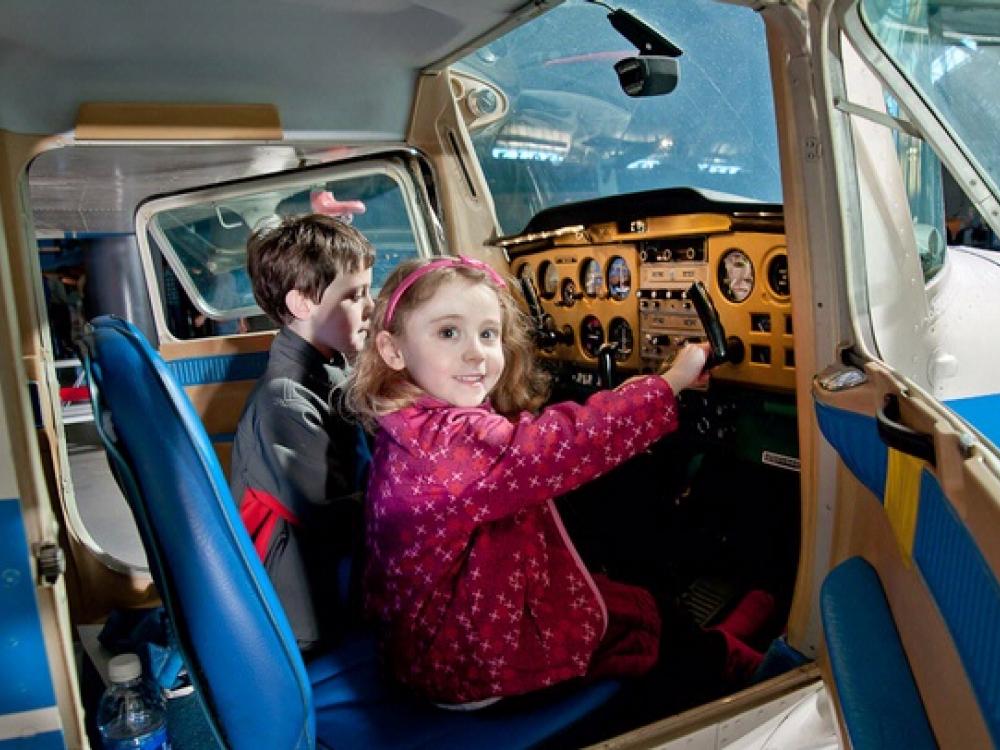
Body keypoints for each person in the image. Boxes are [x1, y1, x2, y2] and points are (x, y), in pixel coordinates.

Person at [345, 256, 770, 708]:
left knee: (621, 596)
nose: (476, 353)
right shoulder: (447, 443)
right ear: (393, 350)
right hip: (472, 665)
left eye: (488, 334)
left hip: (436, 637)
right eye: (449, 332)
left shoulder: (408, 419)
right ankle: (740, 667)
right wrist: (671, 381)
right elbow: (561, 443)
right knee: (646, 623)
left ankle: (714, 642)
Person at [229, 213, 375, 655]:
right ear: (301, 305)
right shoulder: (285, 401)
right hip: (308, 613)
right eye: (355, 295)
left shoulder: (326, 368)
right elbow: (333, 520)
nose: (370, 306)